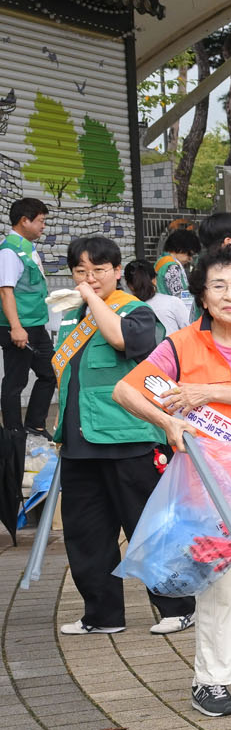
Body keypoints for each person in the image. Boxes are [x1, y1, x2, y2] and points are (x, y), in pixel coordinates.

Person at [114, 245, 231, 718]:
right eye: (218, 286)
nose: (230, 295)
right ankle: (213, 679)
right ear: (202, 294)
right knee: (217, 582)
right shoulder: (180, 344)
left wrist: (202, 391)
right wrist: (168, 422)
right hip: (211, 486)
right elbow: (125, 390)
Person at [50, 236, 196, 639]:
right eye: (80, 271)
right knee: (86, 535)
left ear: (117, 271)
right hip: (79, 443)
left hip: (130, 440)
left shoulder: (136, 312)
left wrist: (91, 298)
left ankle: (177, 608)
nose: (89, 278)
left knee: (148, 529)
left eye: (98, 270)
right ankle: (102, 614)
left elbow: (122, 340)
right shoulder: (71, 319)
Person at [0, 197, 54, 434]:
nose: (43, 226)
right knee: (15, 382)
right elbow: (6, 291)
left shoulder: (27, 248)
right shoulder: (9, 251)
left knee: (50, 373)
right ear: (24, 220)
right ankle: (14, 433)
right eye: (40, 221)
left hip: (36, 325)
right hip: (19, 327)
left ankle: (34, 425)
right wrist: (16, 327)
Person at [126, 260, 192, 340]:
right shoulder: (172, 302)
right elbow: (190, 330)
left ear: (129, 286)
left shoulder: (125, 309)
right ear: (154, 280)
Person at [155, 227, 200, 305]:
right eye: (189, 254)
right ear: (180, 248)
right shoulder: (172, 266)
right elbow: (181, 298)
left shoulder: (161, 261)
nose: (190, 259)